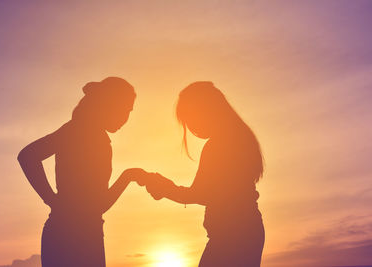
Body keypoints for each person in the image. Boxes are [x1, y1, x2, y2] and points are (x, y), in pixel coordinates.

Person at [133, 81, 265, 267]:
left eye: (190, 118)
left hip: (233, 236)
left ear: (206, 111)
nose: (191, 127)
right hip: (246, 231)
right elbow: (210, 193)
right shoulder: (238, 137)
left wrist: (164, 188)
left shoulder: (219, 144)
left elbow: (201, 194)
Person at [17, 77, 141, 267]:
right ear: (108, 105)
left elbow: (97, 206)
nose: (126, 118)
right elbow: (27, 156)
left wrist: (128, 176)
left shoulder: (90, 134)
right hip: (70, 238)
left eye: (129, 111)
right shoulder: (78, 131)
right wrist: (50, 199)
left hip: (82, 233)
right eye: (125, 109)